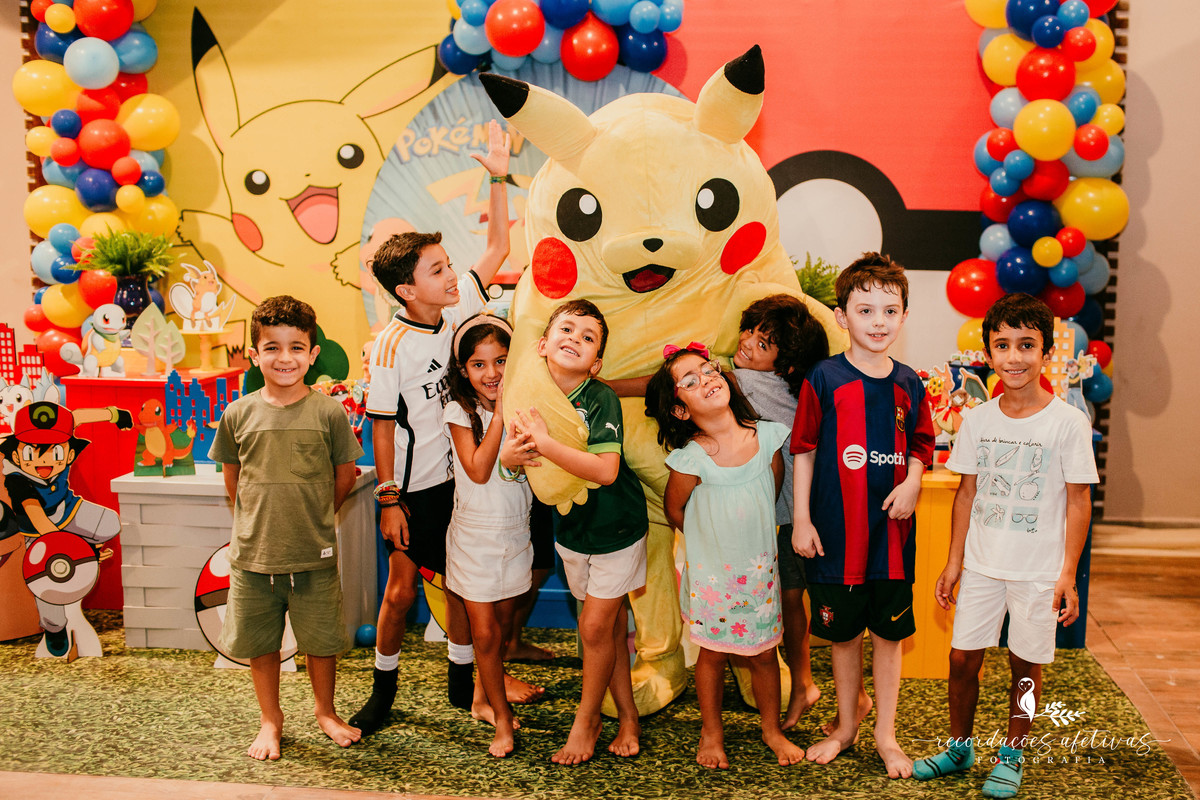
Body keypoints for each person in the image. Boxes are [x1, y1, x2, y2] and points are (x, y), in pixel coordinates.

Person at [350, 120, 539, 735]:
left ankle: (466, 688)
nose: (453, 275)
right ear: (407, 289)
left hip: (464, 480)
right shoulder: (390, 346)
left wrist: (499, 178)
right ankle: (383, 690)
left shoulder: (459, 311)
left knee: (460, 588)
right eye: (438, 270)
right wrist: (389, 499)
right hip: (415, 489)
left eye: (449, 264)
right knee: (401, 592)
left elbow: (499, 247)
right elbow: (382, 428)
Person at [913, 293, 1097, 798]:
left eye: (1026, 345)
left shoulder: (1068, 423)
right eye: (1003, 345)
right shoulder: (978, 420)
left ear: (1045, 352)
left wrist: (1067, 574)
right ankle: (959, 747)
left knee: (1024, 667)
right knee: (961, 659)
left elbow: (1078, 501)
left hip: (1038, 572)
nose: (1014, 357)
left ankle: (1012, 754)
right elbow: (966, 493)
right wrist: (954, 562)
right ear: (989, 353)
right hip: (981, 566)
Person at [790, 252, 936, 778]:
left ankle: (885, 735)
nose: (879, 322)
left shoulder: (909, 383)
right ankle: (846, 727)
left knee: (888, 639)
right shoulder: (824, 377)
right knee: (844, 636)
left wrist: (913, 481)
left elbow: (921, 444)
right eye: (865, 310)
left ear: (904, 316)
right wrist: (802, 519)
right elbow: (804, 450)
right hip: (836, 536)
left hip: (891, 539)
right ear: (841, 316)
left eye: (890, 311)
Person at [209, 295, 365, 761]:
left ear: (312, 354)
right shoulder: (238, 414)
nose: (285, 358)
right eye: (272, 347)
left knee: (321, 641)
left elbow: (344, 476)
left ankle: (325, 712)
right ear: (254, 355)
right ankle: (270, 719)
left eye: (296, 347)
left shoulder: (329, 413)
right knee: (261, 642)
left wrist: (316, 515)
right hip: (253, 556)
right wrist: (255, 520)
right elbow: (234, 479)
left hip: (313, 554)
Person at [647, 342, 805, 769]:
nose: (707, 379)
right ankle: (711, 732)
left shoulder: (768, 437)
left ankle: (771, 729)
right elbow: (675, 509)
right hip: (713, 578)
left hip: (759, 573)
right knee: (712, 654)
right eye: (690, 380)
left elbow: (770, 492)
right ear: (680, 410)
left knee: (764, 653)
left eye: (708, 369)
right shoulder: (691, 459)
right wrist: (710, 543)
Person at [507, 299, 647, 765]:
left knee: (593, 626)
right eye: (566, 330)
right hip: (571, 530)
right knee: (607, 629)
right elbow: (516, 464)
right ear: (542, 344)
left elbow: (606, 471)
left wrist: (545, 443)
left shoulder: (599, 397)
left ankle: (586, 720)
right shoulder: (529, 396)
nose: (575, 339)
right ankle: (628, 716)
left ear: (596, 362)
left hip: (617, 528)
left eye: (588, 338)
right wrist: (512, 458)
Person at [729, 294, 830, 730]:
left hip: (816, 516)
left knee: (823, 607)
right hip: (793, 518)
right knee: (791, 599)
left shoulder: (745, 382)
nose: (748, 341)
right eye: (749, 330)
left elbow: (674, 382)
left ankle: (851, 697)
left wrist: (609, 386)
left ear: (786, 364)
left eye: (763, 342)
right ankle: (804, 684)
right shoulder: (782, 385)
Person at [443, 312, 533, 757]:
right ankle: (500, 718)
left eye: (501, 361)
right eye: (479, 364)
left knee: (502, 625)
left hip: (516, 533)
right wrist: (500, 413)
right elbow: (478, 470)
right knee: (485, 634)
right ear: (463, 370)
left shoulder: (528, 407)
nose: (492, 373)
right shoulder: (459, 411)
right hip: (474, 538)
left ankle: (483, 696)